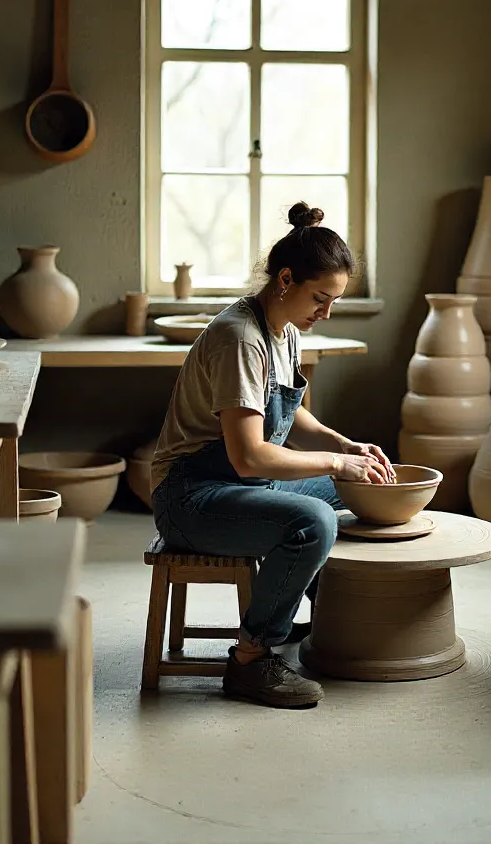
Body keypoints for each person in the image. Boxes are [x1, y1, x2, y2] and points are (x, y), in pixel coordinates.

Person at [151, 202, 395, 709]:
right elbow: (249, 457)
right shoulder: (239, 337)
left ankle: (329, 620)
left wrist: (344, 447)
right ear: (286, 279)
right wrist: (333, 464)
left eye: (334, 302)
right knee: (314, 520)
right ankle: (250, 659)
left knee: (362, 483)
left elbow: (289, 412)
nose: (325, 313)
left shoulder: (282, 330)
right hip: (193, 494)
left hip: (239, 485)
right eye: (320, 299)